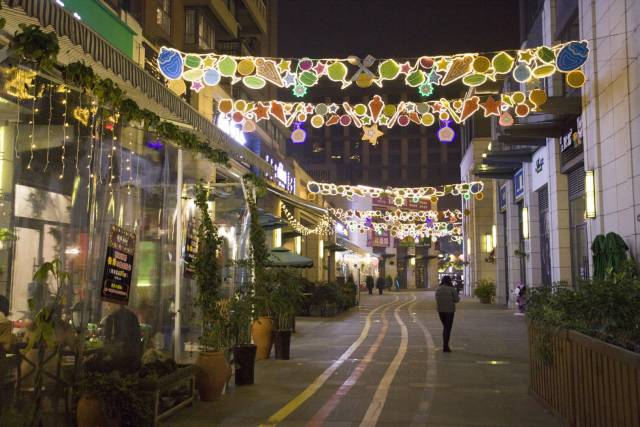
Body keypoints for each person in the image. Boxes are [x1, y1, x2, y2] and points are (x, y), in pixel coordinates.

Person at [435, 275, 460, 353]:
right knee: (447, 328)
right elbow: (456, 300)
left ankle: (445, 345)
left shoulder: (438, 289)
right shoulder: (451, 289)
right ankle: (445, 346)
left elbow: (436, 299)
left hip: (441, 311)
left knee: (445, 327)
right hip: (449, 311)